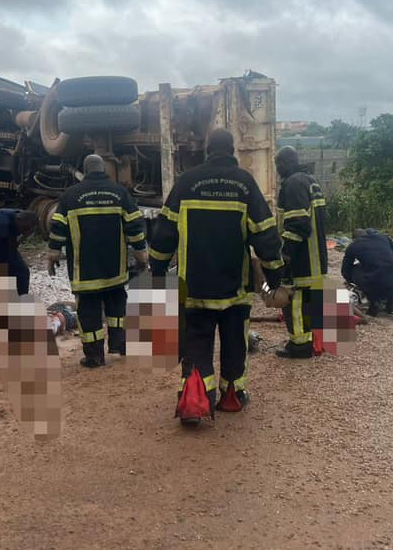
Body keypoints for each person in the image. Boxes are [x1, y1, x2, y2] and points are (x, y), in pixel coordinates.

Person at [149, 128, 284, 422]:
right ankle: (232, 396)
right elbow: (265, 235)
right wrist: (274, 278)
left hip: (195, 287)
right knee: (235, 343)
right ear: (232, 150)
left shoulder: (186, 183)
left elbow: (163, 234)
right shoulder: (245, 184)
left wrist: (157, 272)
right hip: (234, 288)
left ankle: (195, 400)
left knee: (196, 343)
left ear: (207, 149)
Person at [47, 154, 148, 367]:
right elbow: (135, 226)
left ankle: (95, 356)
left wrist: (53, 254)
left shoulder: (70, 196)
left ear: (85, 169)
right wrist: (141, 255)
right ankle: (121, 345)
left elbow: (57, 228)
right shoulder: (119, 193)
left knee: (89, 312)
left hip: (85, 270)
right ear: (104, 170)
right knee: (117, 307)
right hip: (115, 268)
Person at [273, 146, 328, 359]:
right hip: (317, 256)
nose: (278, 170)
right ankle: (314, 341)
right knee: (309, 301)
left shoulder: (293, 184)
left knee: (293, 300)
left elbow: (297, 224)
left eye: (279, 165)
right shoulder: (310, 181)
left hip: (303, 258)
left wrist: (285, 254)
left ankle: (299, 346)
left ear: (285, 163)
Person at [341, 228, 393, 316]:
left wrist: (350, 280)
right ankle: (390, 301)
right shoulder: (382, 237)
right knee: (391, 265)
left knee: (354, 269)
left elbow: (345, 269)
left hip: (376, 286)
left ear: (354, 239)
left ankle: (374, 302)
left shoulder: (353, 245)